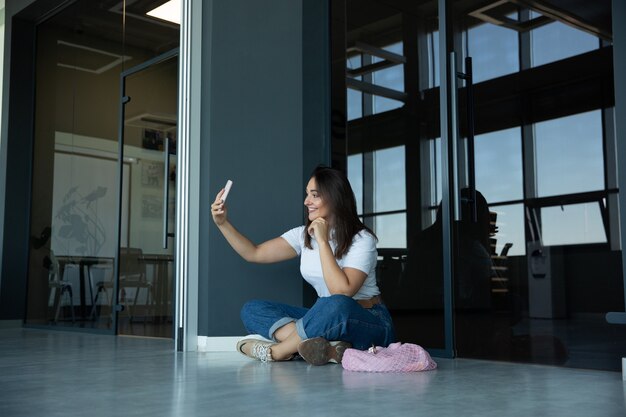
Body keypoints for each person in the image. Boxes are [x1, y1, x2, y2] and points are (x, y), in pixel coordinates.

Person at [210, 166, 396, 365]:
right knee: (253, 309)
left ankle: (279, 351)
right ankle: (324, 346)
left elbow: (342, 291)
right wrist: (223, 223)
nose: (306, 201)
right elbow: (254, 253)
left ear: (334, 197)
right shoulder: (302, 235)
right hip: (323, 317)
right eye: (307, 194)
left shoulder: (361, 239)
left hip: (367, 319)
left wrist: (323, 242)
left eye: (314, 195)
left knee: (335, 303)